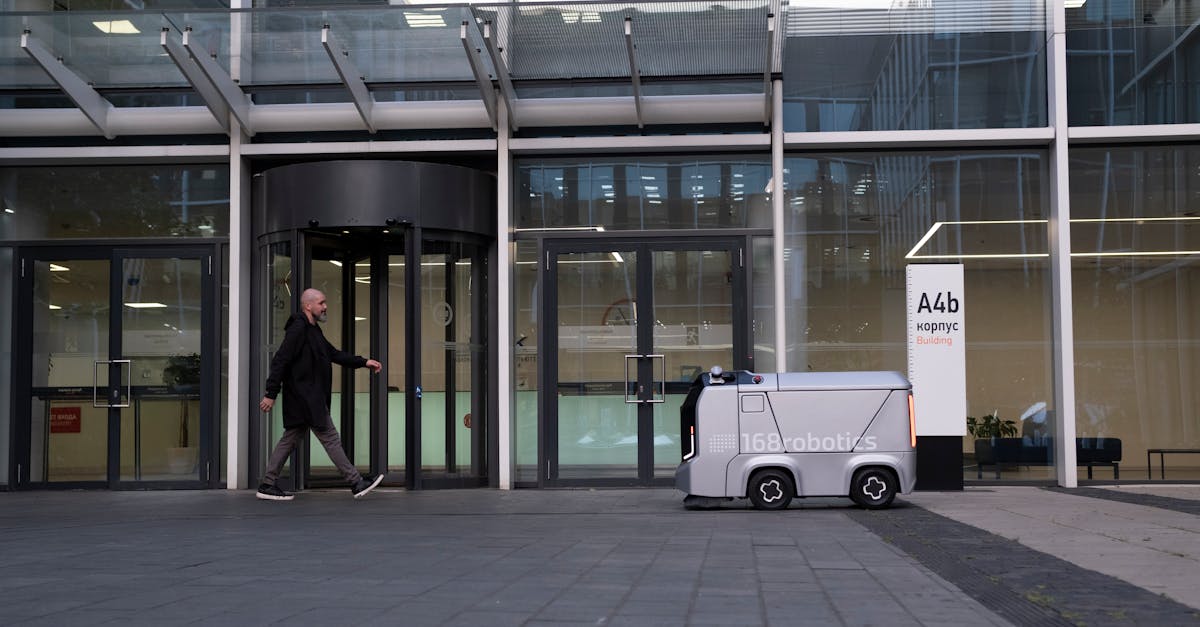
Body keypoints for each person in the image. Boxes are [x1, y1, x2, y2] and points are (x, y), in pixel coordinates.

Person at [256, 288, 385, 501]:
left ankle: (267, 484)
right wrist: (271, 393)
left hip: (308, 398)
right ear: (308, 305)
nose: (325, 307)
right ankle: (355, 482)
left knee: (289, 439)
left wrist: (363, 362)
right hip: (306, 399)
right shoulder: (298, 329)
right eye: (321, 303)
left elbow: (333, 353)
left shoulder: (313, 330)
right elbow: (281, 360)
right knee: (331, 438)